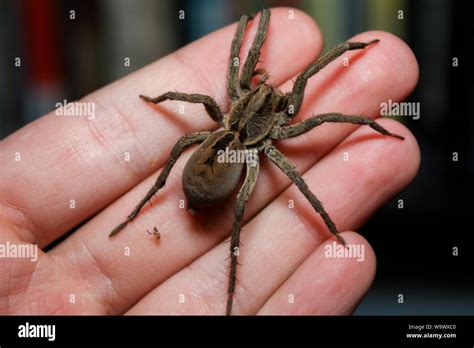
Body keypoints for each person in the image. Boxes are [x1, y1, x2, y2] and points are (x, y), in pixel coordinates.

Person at [0, 8, 419, 315]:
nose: (269, 95)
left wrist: (343, 53)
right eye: (265, 95)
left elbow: (243, 59)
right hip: (229, 159)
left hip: (222, 148)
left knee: (199, 152)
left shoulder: (226, 111)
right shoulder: (271, 134)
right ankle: (172, 228)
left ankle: (213, 264)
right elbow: (297, 96)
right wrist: (266, 27)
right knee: (244, 194)